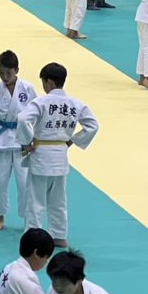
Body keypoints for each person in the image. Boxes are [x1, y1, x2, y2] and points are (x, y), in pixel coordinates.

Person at [16, 63, 99, 247]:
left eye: (44, 83)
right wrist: (72, 140)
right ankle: (59, 236)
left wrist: (27, 140)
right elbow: (93, 125)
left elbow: (22, 119)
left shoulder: (41, 102)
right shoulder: (75, 104)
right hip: (60, 156)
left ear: (50, 82)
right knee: (58, 201)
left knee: (35, 201)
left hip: (41, 156)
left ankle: (33, 237)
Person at [0, 50, 37, 231]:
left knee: (25, 183)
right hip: (1, 140)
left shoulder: (28, 89)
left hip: (23, 140)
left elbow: (36, 115)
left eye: (8, 73)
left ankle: (28, 218)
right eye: (1, 73)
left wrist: (35, 139)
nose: (4, 77)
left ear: (17, 70)